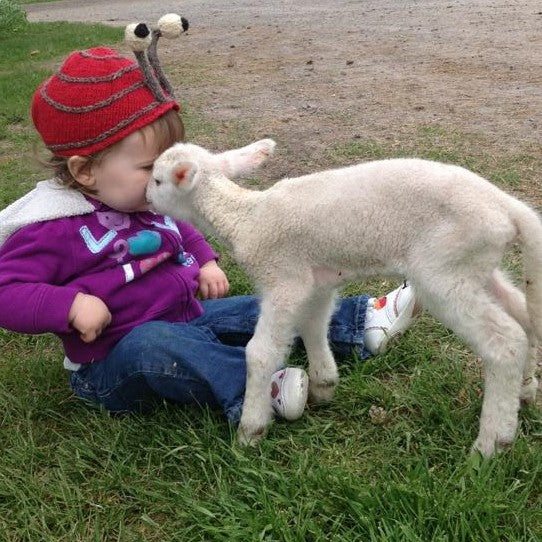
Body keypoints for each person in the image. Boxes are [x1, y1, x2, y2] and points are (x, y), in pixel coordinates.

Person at [0, 44, 418, 427]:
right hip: (114, 358)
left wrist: (205, 260)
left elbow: (178, 227)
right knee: (154, 344)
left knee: (259, 308)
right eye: (148, 167)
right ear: (85, 170)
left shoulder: (140, 200)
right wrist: (69, 304)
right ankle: (255, 383)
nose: (159, 179)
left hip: (188, 313)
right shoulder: (54, 228)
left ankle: (358, 323)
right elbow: (7, 290)